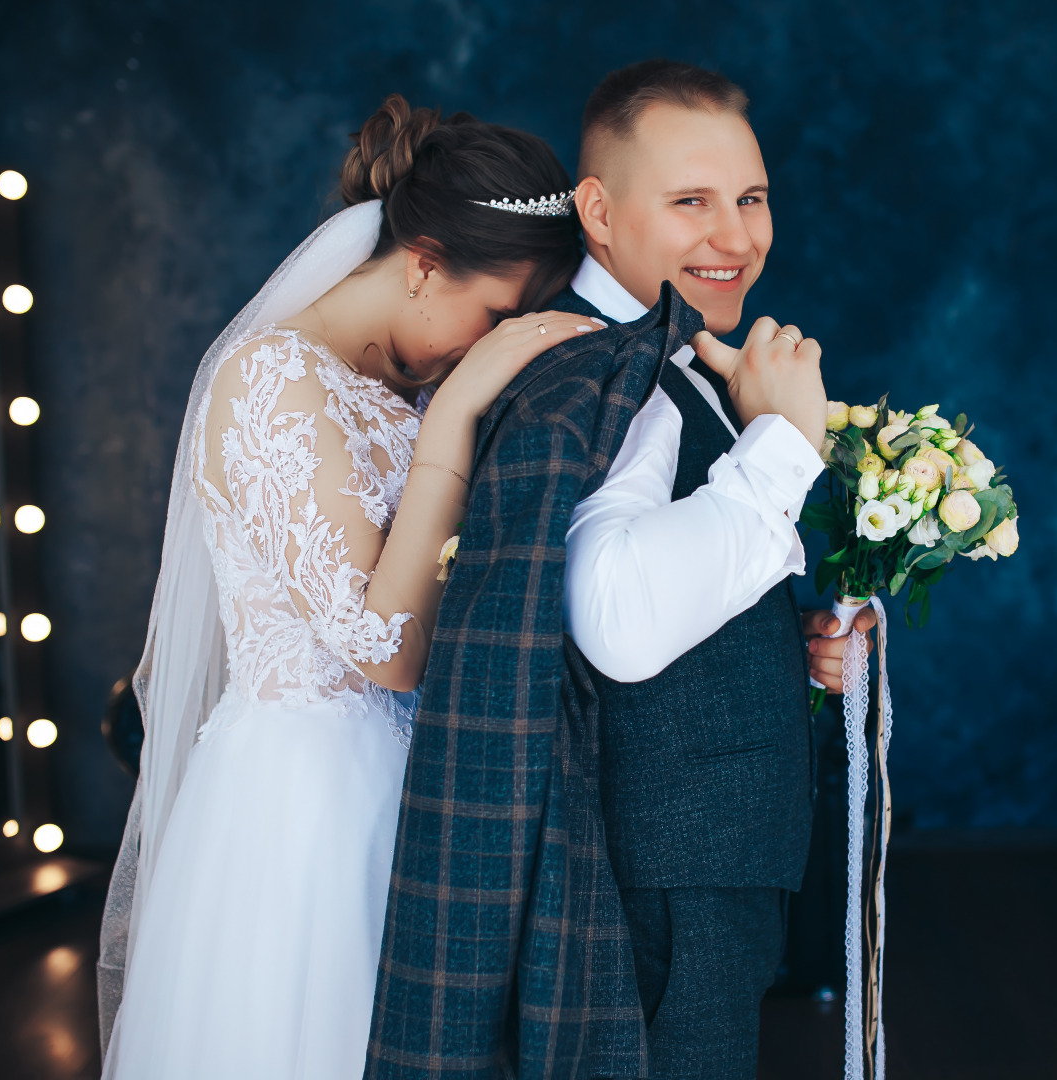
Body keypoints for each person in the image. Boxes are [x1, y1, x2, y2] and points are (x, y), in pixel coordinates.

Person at [368, 61, 874, 1080]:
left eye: (751, 198)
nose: (733, 236)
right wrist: (781, 447)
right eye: (690, 201)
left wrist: (790, 646)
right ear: (595, 211)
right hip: (666, 879)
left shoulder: (661, 357)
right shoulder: (607, 369)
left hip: (693, 865)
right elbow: (615, 618)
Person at [96, 95, 597, 1080]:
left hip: (428, 789)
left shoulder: (397, 388)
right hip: (308, 806)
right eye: (494, 314)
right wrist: (453, 419)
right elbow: (384, 649)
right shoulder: (271, 379)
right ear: (420, 264)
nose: (486, 346)